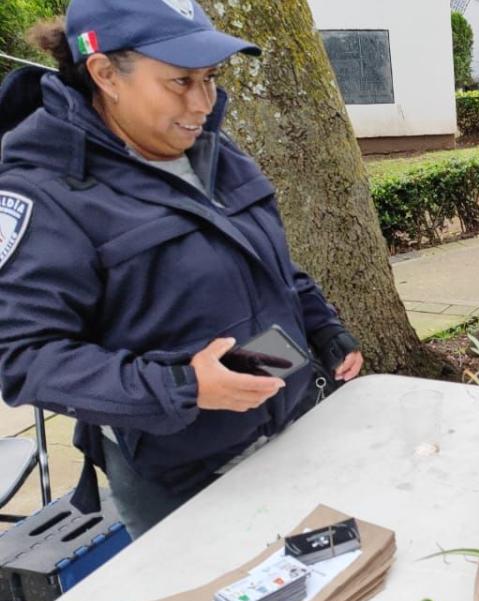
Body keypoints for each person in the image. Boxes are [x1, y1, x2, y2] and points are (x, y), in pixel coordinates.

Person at [0, 0, 364, 538]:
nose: (203, 101)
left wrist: (322, 325)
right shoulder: (44, 190)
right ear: (106, 75)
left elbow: (267, 264)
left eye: (210, 78)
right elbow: (26, 357)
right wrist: (184, 385)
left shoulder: (210, 147)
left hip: (288, 423)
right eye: (180, 81)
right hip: (184, 476)